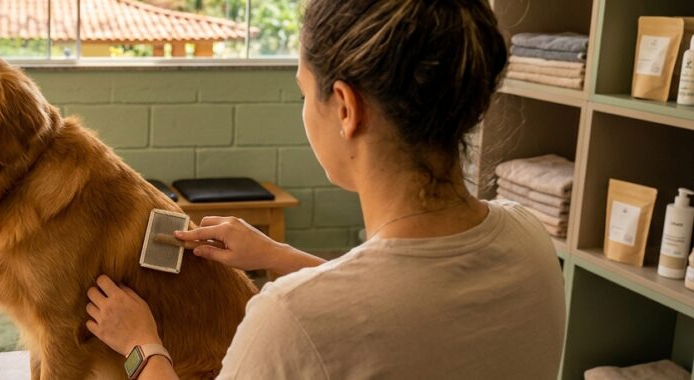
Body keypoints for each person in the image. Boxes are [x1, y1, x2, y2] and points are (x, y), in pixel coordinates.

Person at [84, 0, 567, 378]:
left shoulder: (287, 320)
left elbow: (357, 316)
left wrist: (141, 347)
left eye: (302, 91)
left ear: (345, 108)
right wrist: (278, 256)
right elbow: (410, 306)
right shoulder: (529, 239)